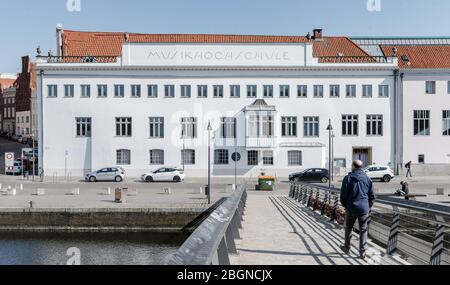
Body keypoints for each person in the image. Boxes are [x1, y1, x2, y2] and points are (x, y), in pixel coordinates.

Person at [340, 160, 376, 259]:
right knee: (363, 231)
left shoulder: (347, 178)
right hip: (364, 209)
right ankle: (362, 253)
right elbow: (372, 196)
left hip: (351, 208)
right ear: (361, 167)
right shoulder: (368, 179)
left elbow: (343, 195)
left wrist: (346, 205)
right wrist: (368, 207)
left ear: (353, 166)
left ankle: (347, 248)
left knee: (348, 228)